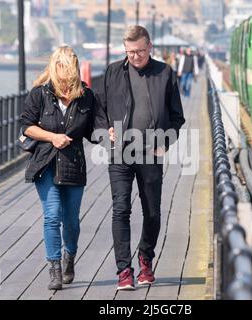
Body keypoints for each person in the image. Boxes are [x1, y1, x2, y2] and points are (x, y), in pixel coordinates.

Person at [94, 25, 185, 290]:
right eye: (130, 52)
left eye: (140, 51)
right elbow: (99, 109)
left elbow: (177, 116)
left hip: (150, 152)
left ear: (150, 46)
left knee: (153, 212)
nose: (135, 57)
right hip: (120, 152)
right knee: (121, 209)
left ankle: (146, 256)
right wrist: (103, 132)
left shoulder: (164, 72)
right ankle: (124, 270)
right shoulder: (113, 71)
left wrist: (165, 143)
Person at [19, 46, 98, 290]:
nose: (66, 73)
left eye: (70, 67)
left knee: (71, 220)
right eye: (62, 67)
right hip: (46, 162)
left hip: (74, 164)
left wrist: (109, 134)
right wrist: (52, 136)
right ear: (55, 67)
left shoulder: (86, 96)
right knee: (52, 217)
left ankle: (69, 257)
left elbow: (93, 131)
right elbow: (26, 126)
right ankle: (54, 268)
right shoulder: (40, 94)